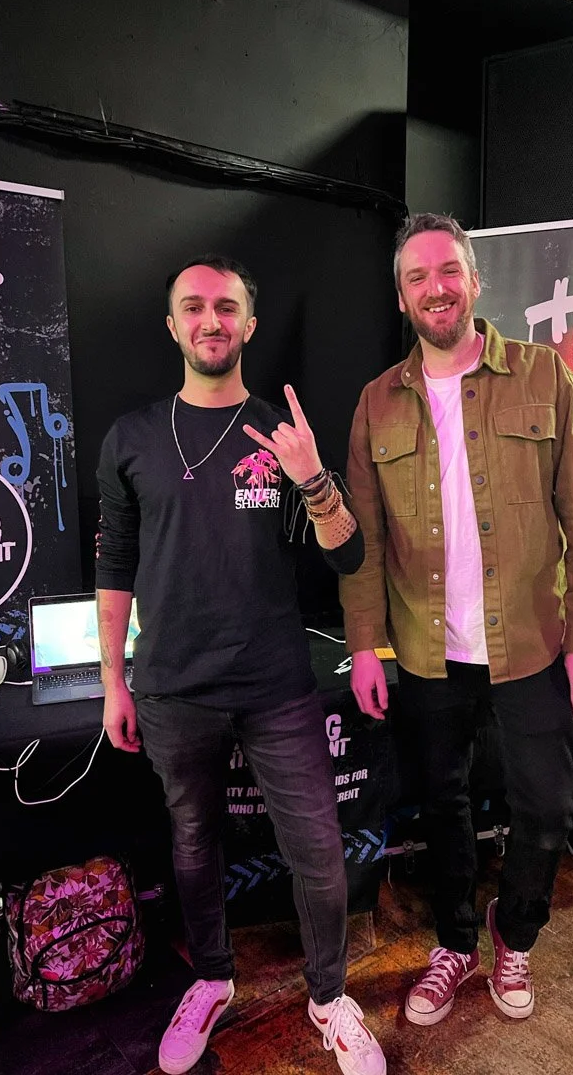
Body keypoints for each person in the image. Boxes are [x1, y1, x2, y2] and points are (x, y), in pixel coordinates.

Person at [95, 254, 386, 1075]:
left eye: (227, 307)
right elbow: (114, 562)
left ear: (249, 325)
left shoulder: (281, 434)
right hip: (171, 688)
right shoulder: (132, 437)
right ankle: (214, 979)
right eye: (194, 307)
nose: (211, 320)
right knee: (192, 841)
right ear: (173, 325)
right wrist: (114, 678)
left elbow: (350, 553)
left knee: (320, 854)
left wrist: (314, 479)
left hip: (276, 687)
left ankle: (329, 998)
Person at [340, 213, 573, 1027]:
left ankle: (515, 932)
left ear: (474, 280)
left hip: (534, 643)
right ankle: (455, 940)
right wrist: (364, 647)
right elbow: (363, 545)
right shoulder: (374, 405)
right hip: (428, 652)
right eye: (419, 276)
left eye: (449, 271)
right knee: (442, 807)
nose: (437, 287)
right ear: (402, 295)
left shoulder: (542, 375)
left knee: (546, 809)